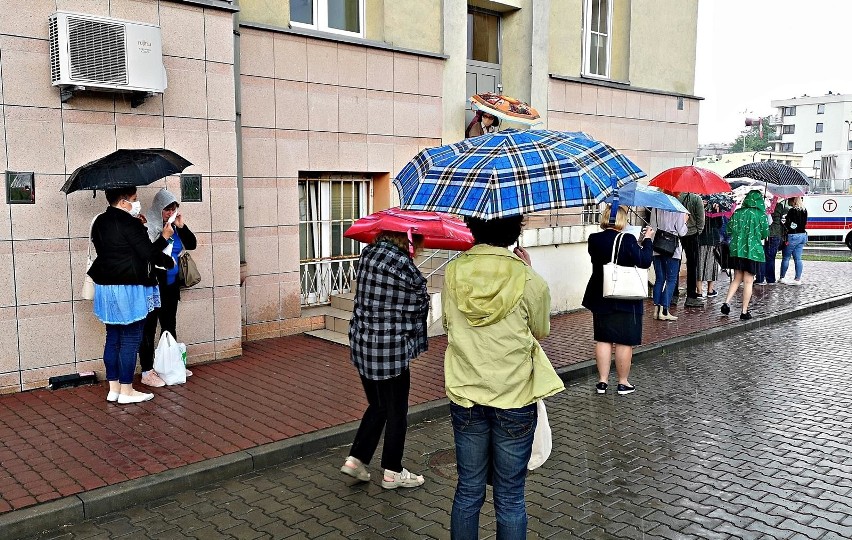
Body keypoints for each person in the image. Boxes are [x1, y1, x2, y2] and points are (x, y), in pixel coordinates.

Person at [443, 214, 564, 540]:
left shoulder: (453, 272)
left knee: (468, 490)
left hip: (467, 394)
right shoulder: (528, 280)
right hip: (515, 397)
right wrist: (527, 269)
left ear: (474, 226)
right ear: (514, 229)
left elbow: (448, 326)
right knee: (510, 495)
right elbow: (541, 330)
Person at [340, 230, 430, 490]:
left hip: (363, 344)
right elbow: (420, 303)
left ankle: (356, 460)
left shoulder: (368, 254)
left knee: (378, 404)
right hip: (390, 351)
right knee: (397, 411)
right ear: (408, 239)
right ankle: (393, 471)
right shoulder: (404, 265)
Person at [88, 186, 176, 404]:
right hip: (129, 286)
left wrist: (139, 225)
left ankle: (114, 388)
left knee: (113, 337)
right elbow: (150, 254)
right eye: (134, 199)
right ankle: (127, 390)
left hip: (106, 286)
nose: (137, 203)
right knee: (130, 338)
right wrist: (164, 237)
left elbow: (115, 248)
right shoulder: (129, 223)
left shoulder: (99, 221)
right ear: (123, 201)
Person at [584, 205, 654, 395]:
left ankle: (602, 382)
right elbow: (645, 260)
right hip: (626, 297)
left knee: (603, 338)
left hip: (601, 294)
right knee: (624, 340)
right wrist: (647, 240)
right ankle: (623, 383)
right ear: (622, 221)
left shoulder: (594, 239)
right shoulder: (628, 239)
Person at [137, 189, 197, 386]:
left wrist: (182, 226)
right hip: (153, 286)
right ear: (158, 209)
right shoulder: (149, 226)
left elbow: (192, 244)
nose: (170, 213)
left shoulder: (175, 226)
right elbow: (149, 254)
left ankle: (171, 364)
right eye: (166, 209)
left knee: (169, 326)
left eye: (173, 208)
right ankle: (147, 371)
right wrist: (163, 235)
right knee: (149, 328)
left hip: (171, 285)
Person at [721, 190, 769, 320]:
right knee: (748, 281)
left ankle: (726, 303)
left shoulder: (737, 213)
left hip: (737, 250)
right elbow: (765, 234)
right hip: (753, 252)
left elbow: (729, 229)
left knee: (737, 278)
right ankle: (744, 311)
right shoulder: (761, 215)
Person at [649, 207, 688, 321]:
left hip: (656, 246)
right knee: (671, 279)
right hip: (671, 249)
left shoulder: (656, 208)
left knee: (659, 279)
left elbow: (653, 226)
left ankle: (656, 310)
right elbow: (682, 231)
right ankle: (664, 310)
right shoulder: (679, 209)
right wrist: (685, 221)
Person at [677, 191, 705, 308]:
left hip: (677, 233)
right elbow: (701, 218)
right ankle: (691, 296)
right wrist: (699, 230)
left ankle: (673, 295)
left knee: (676, 264)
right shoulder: (696, 198)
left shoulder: (676, 197)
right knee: (692, 266)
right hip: (692, 234)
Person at [756, 196, 788, 285]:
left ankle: (760, 278)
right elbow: (784, 219)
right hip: (776, 234)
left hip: (764, 233)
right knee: (770, 258)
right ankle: (770, 279)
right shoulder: (779, 206)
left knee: (762, 257)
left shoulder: (763, 205)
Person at [779, 196, 808, 285]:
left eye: (789, 199)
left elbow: (791, 225)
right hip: (803, 235)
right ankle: (797, 279)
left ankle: (782, 277)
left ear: (793, 200)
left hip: (793, 236)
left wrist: (785, 223)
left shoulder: (792, 211)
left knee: (786, 258)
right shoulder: (804, 210)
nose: (787, 201)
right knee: (798, 259)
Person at [696, 203, 723, 298]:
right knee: (711, 265)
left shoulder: (698, 205)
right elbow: (719, 225)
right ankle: (710, 290)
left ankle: (699, 291)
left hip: (700, 239)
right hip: (712, 240)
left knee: (699, 265)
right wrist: (717, 212)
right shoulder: (715, 206)